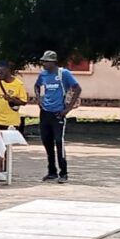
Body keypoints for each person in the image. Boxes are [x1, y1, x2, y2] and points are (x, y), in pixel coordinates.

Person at [34, 50, 82, 183]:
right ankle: (52, 172)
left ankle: (63, 173)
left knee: (58, 142)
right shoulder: (43, 74)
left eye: (46, 61)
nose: (44, 64)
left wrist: (67, 109)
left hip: (58, 113)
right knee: (47, 142)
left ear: (53, 62)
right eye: (43, 61)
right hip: (45, 112)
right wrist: (39, 99)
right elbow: (37, 86)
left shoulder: (63, 73)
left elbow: (77, 88)